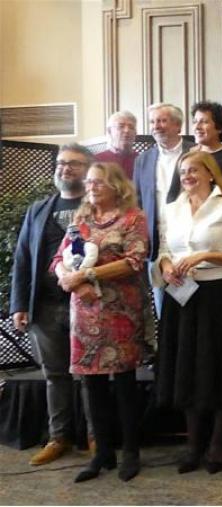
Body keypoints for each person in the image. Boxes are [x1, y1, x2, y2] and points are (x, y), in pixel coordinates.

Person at [153, 151, 222, 475]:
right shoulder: (171, 209)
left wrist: (204, 255)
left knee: (219, 370)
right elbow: (165, 251)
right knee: (187, 371)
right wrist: (167, 266)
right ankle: (193, 445)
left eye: (193, 170)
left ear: (210, 173)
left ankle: (217, 446)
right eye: (183, 171)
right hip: (181, 299)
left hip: (218, 297)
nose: (188, 176)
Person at [51, 162, 149, 483]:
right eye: (89, 182)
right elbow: (57, 260)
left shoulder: (133, 217)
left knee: (123, 386)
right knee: (91, 386)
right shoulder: (80, 220)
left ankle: (131, 452)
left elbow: (135, 260)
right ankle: (102, 454)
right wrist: (69, 279)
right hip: (84, 311)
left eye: (99, 183)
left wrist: (89, 274)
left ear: (117, 186)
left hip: (120, 311)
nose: (91, 187)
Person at [11, 144, 95, 466]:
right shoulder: (38, 209)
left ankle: (94, 436)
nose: (66, 168)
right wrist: (19, 304)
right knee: (55, 375)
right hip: (45, 307)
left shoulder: (99, 207)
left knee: (91, 375)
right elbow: (22, 258)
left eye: (74, 163)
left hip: (89, 305)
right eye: (61, 163)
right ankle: (58, 437)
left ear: (89, 169)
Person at [134, 103, 195, 317]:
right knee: (164, 309)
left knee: (194, 304)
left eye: (162, 121)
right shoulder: (143, 159)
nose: (156, 126)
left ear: (178, 125)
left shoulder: (195, 152)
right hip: (157, 242)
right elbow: (138, 201)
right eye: (152, 122)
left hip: (191, 238)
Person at [95, 111, 138, 179]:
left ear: (135, 133)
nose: (127, 130)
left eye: (131, 127)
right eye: (121, 126)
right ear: (109, 131)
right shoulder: (97, 160)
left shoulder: (142, 160)